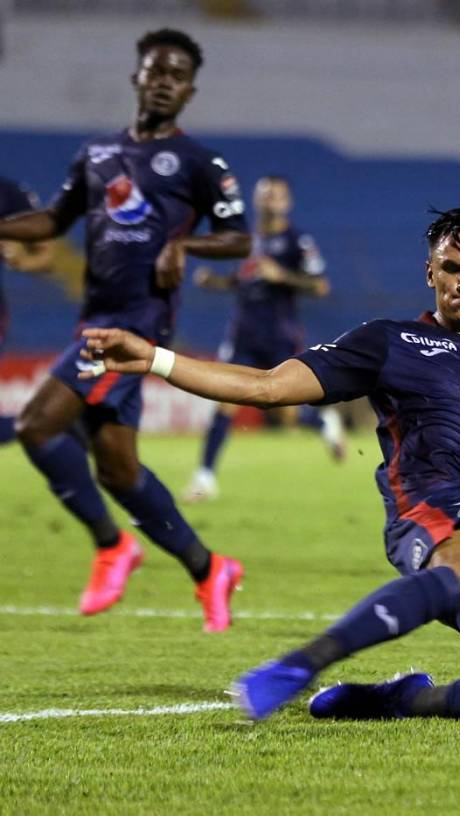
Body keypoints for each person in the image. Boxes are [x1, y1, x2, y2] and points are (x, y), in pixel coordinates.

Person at [80, 205, 460, 722]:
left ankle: (405, 700)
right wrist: (155, 358)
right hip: (430, 510)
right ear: (430, 273)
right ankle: (299, 665)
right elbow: (267, 386)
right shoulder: (391, 342)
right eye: (452, 268)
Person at [0, 29, 252, 631]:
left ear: (189, 92)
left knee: (37, 425)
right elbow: (52, 221)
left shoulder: (199, 163)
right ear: (137, 77)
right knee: (118, 470)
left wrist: (185, 245)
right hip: (94, 318)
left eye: (177, 76)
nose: (164, 82)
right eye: (156, 70)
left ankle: (112, 546)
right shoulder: (96, 154)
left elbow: (238, 238)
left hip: (135, 326)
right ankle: (209, 568)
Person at [184, 174, 344, 503]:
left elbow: (320, 286)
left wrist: (281, 275)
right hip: (243, 334)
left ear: (287, 202)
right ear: (256, 199)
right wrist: (216, 282)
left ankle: (322, 422)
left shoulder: (297, 241)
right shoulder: (246, 241)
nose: (270, 199)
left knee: (286, 415)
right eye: (265, 194)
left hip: (279, 336)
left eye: (276, 195)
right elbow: (242, 281)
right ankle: (204, 477)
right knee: (225, 400)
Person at [0, 176, 55, 445]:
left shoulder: (7, 193)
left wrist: (18, 261)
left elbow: (46, 254)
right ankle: (54, 424)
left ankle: (51, 424)